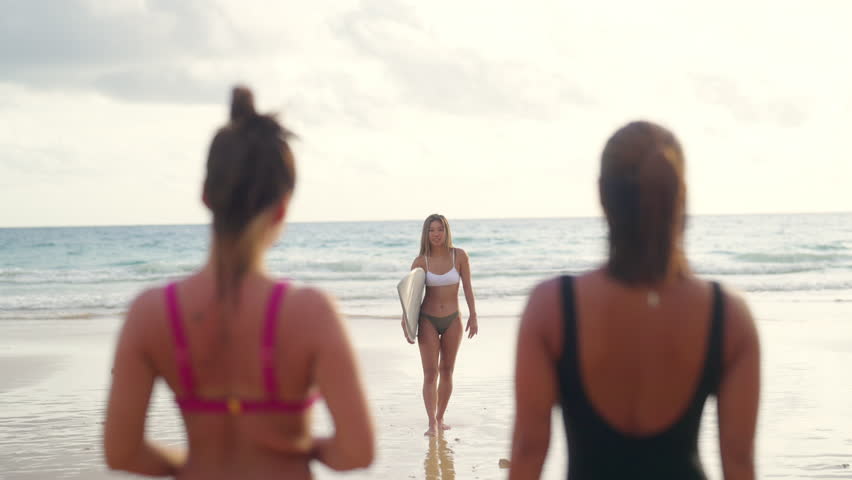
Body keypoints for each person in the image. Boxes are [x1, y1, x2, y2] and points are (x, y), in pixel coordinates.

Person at [103, 87, 374, 479]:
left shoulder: (151, 313)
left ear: (206, 196)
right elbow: (357, 451)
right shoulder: (310, 312)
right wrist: (299, 447)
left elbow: (121, 452)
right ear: (281, 208)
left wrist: (193, 466)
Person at [509, 121, 760, 479]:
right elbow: (740, 464)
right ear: (681, 195)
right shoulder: (728, 315)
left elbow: (527, 453)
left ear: (602, 195)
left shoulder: (552, 308)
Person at [403, 214, 478, 436]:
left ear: (446, 232)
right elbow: (410, 297)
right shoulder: (420, 262)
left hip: (453, 319)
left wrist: (473, 315)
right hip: (427, 319)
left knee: (447, 371)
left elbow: (468, 288)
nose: (436, 234)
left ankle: (440, 416)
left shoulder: (460, 256)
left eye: (440, 229)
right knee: (430, 373)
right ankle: (431, 423)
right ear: (426, 234)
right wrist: (406, 322)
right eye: (431, 230)